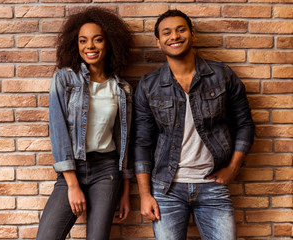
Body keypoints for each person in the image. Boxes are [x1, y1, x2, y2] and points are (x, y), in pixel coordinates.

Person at [133, 10, 255, 240]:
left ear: (192, 35)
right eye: (166, 33)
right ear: (159, 43)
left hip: (212, 185)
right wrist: (145, 195)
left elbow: (245, 124)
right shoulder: (149, 85)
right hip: (166, 189)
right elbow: (142, 141)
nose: (174, 36)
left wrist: (233, 168)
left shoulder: (222, 75)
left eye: (181, 29)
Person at [36, 7, 134, 240]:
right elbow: (58, 131)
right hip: (73, 170)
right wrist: (72, 184)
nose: (90, 46)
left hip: (107, 171)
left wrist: (126, 191)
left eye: (97, 40)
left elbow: (125, 142)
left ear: (108, 44)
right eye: (83, 40)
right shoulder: (64, 79)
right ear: (76, 44)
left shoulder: (122, 89)